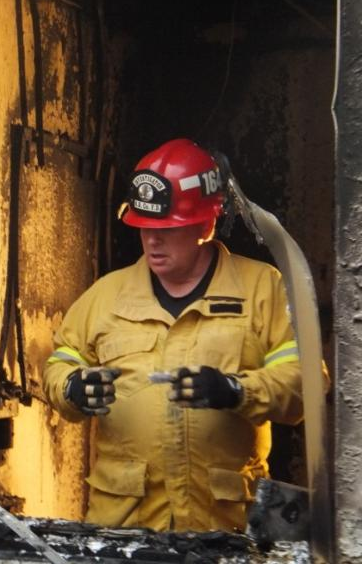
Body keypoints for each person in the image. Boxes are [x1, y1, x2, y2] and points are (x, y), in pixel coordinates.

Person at [42, 138, 312, 533]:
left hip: (226, 528)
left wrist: (236, 390)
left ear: (206, 223)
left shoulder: (262, 289)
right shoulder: (106, 296)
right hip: (123, 530)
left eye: (167, 228)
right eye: (144, 226)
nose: (152, 239)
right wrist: (72, 388)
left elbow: (304, 385)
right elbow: (60, 360)